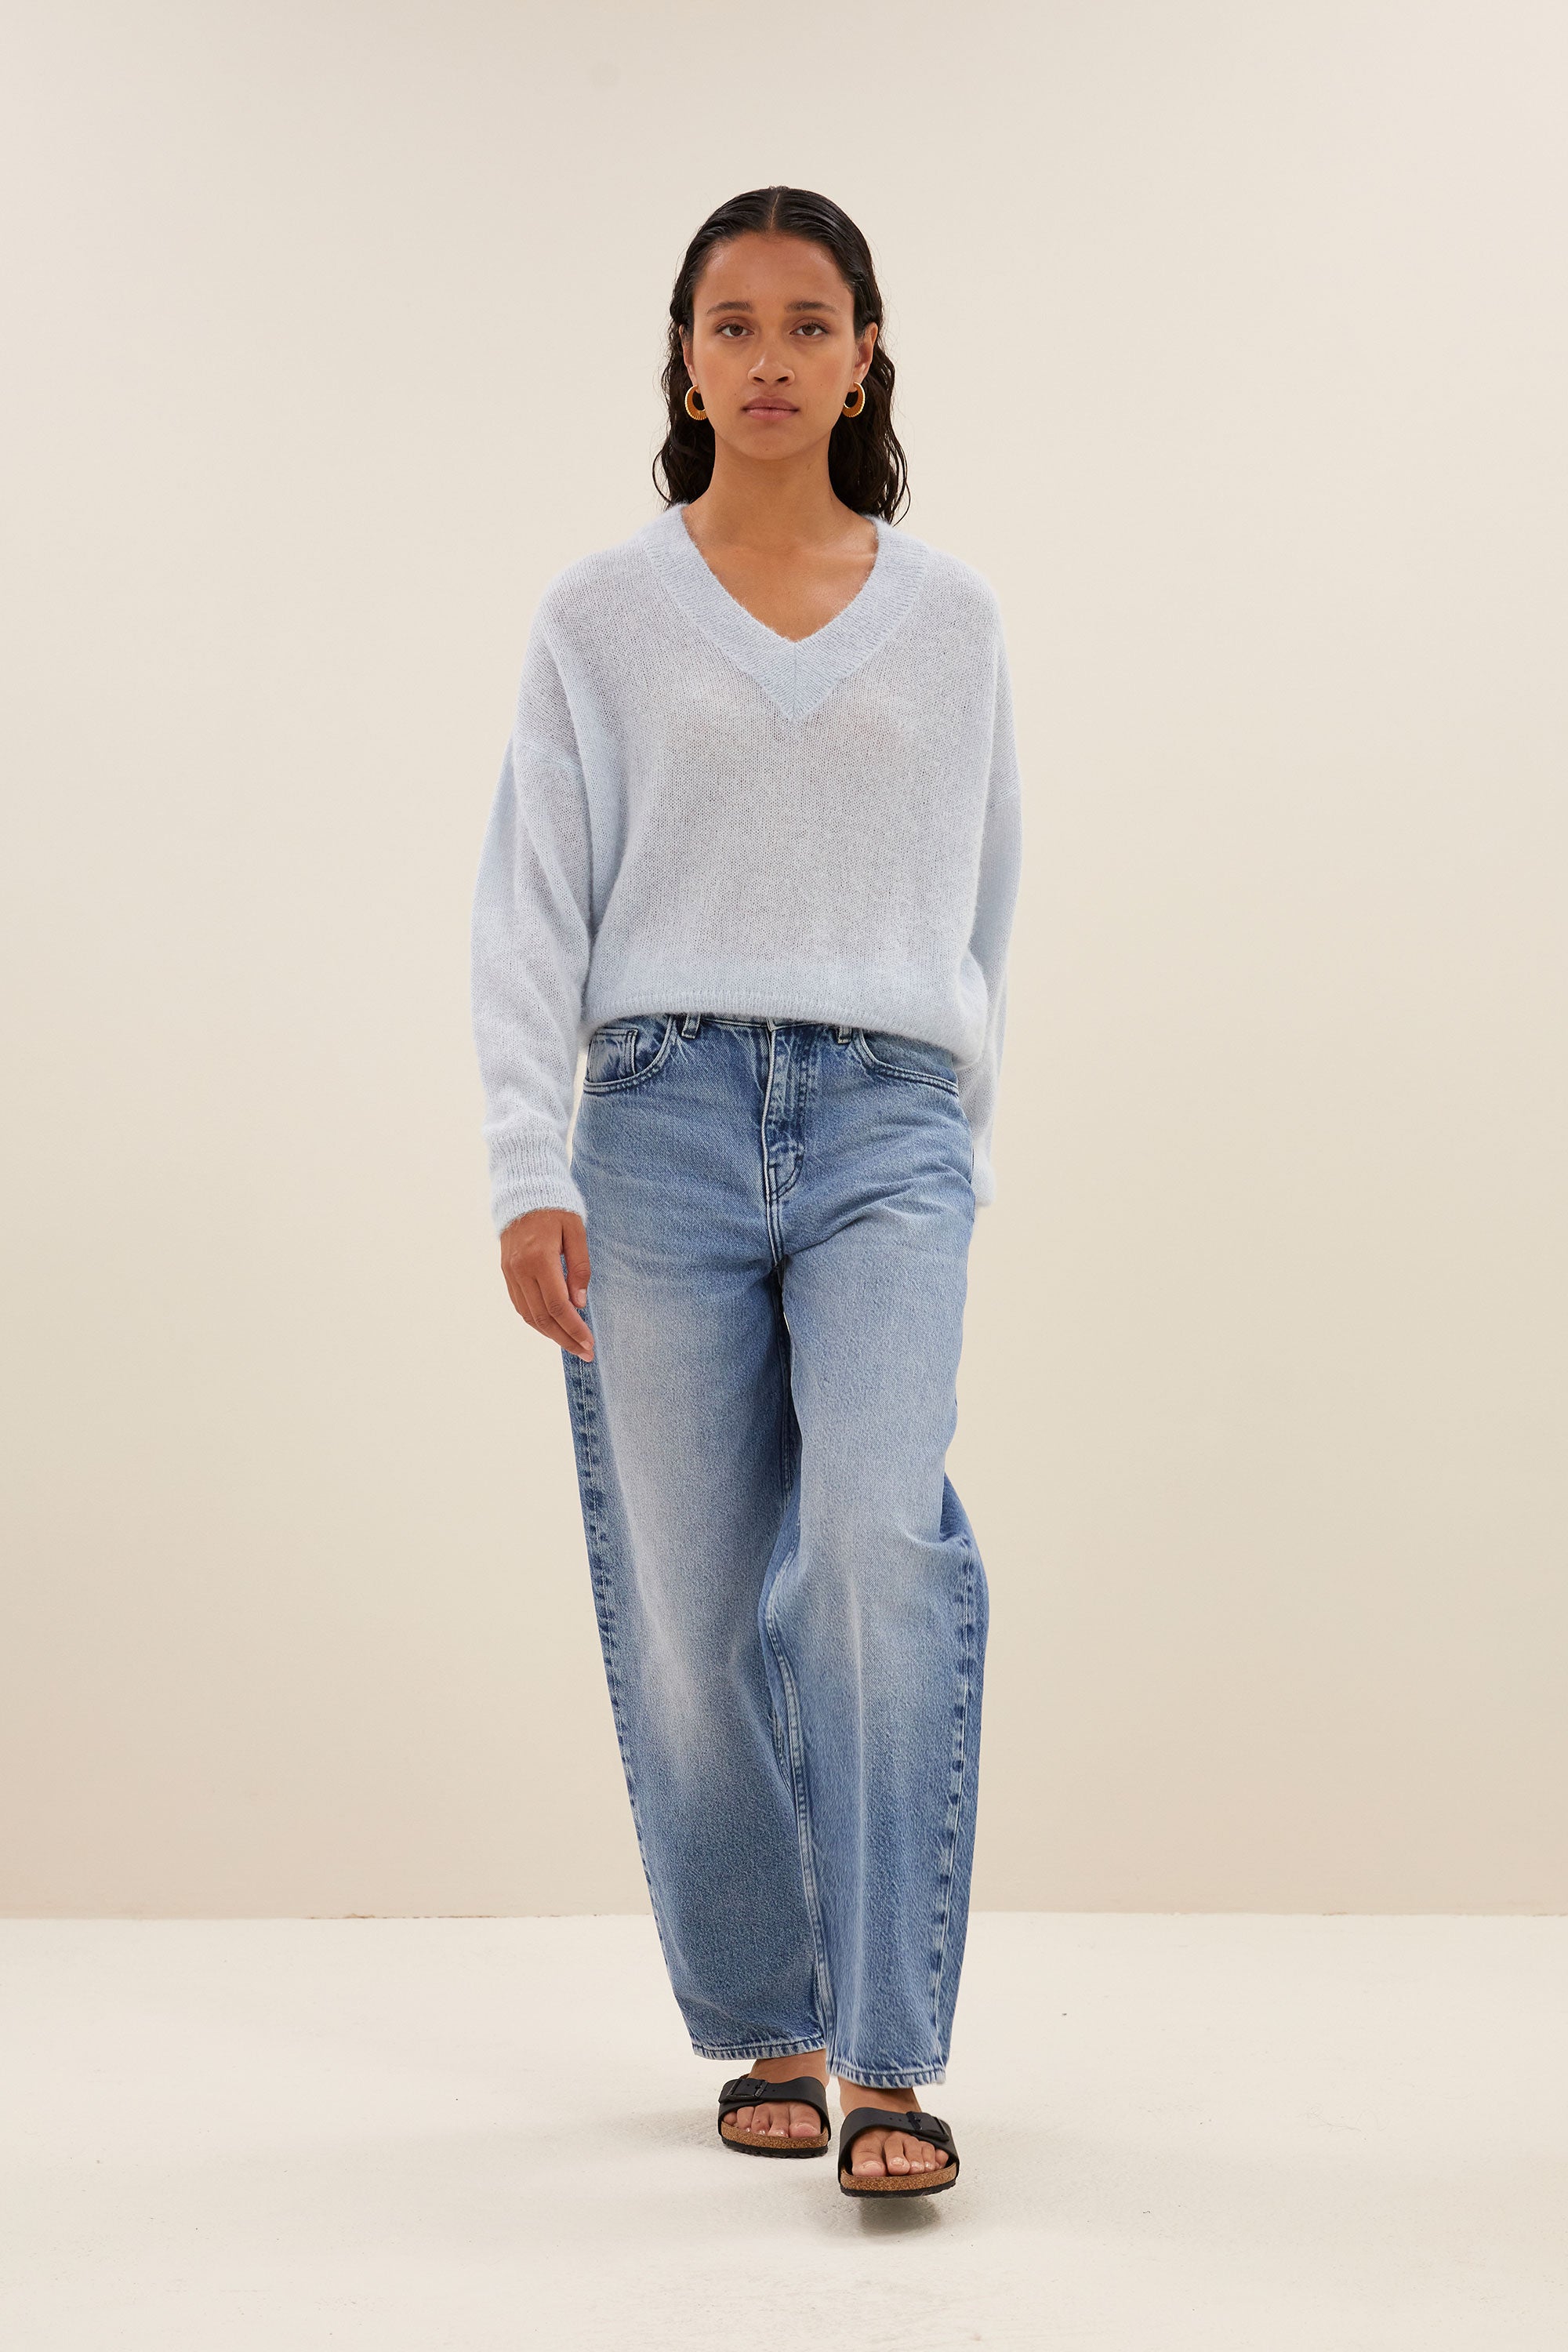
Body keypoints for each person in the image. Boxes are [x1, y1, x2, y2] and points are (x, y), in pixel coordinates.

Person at [469, 185, 1022, 2198]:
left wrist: (956, 1137)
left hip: (886, 1120)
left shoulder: (949, 620)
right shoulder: (598, 618)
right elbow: (531, 900)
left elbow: (980, 905)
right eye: (732, 324)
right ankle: (765, 2014)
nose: (769, 357)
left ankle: (885, 2056)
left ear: (864, 356)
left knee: (875, 1543)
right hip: (656, 1124)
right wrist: (526, 1157)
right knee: (691, 1608)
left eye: (808, 322)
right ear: (686, 361)